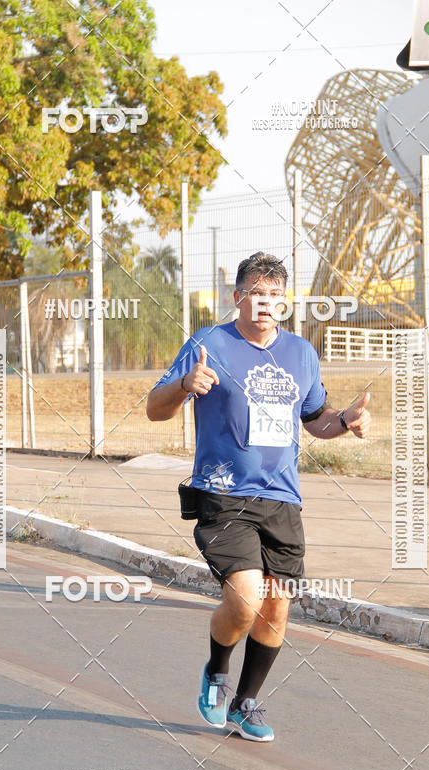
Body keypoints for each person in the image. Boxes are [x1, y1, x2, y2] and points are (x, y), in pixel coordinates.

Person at [146, 252, 370, 742]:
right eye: (256, 295)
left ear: (284, 303)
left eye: (275, 297)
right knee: (245, 598)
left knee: (277, 606)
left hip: (282, 498)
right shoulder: (210, 343)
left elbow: (315, 419)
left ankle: (247, 703)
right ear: (238, 299)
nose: (265, 305)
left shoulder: (301, 354)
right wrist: (186, 385)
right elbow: (153, 409)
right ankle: (217, 672)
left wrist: (345, 421)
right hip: (223, 493)